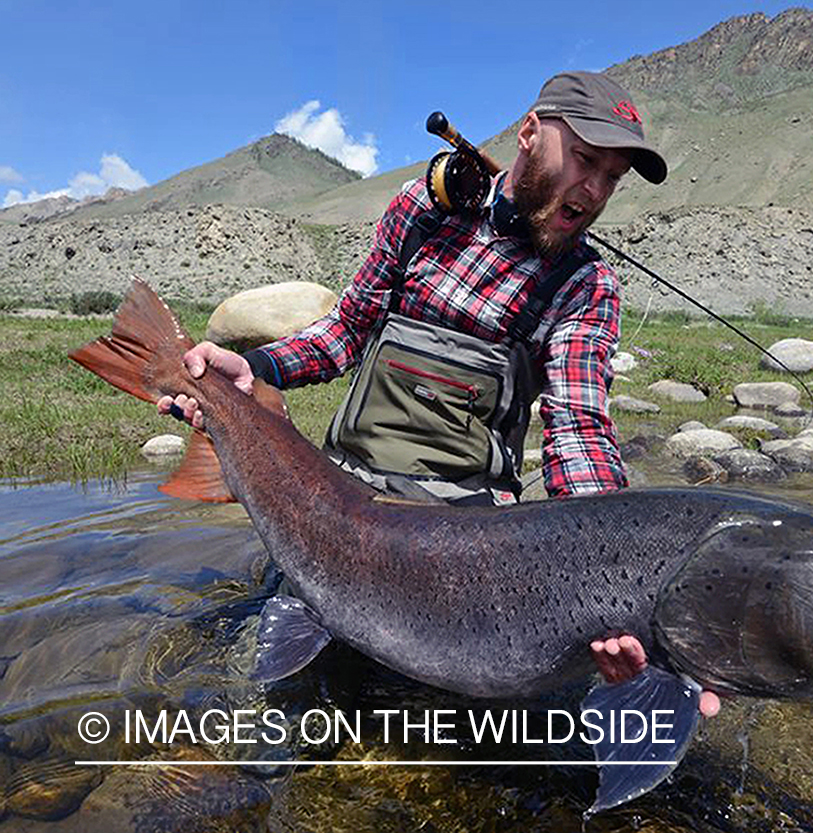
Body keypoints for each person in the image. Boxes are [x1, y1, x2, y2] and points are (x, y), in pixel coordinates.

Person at [158, 70, 719, 717]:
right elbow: (343, 334)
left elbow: (578, 432)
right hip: (343, 505)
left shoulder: (586, 285)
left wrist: (618, 584)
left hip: (467, 546)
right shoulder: (422, 213)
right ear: (531, 134)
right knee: (269, 713)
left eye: (611, 177)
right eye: (585, 161)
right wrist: (253, 367)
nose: (592, 191)